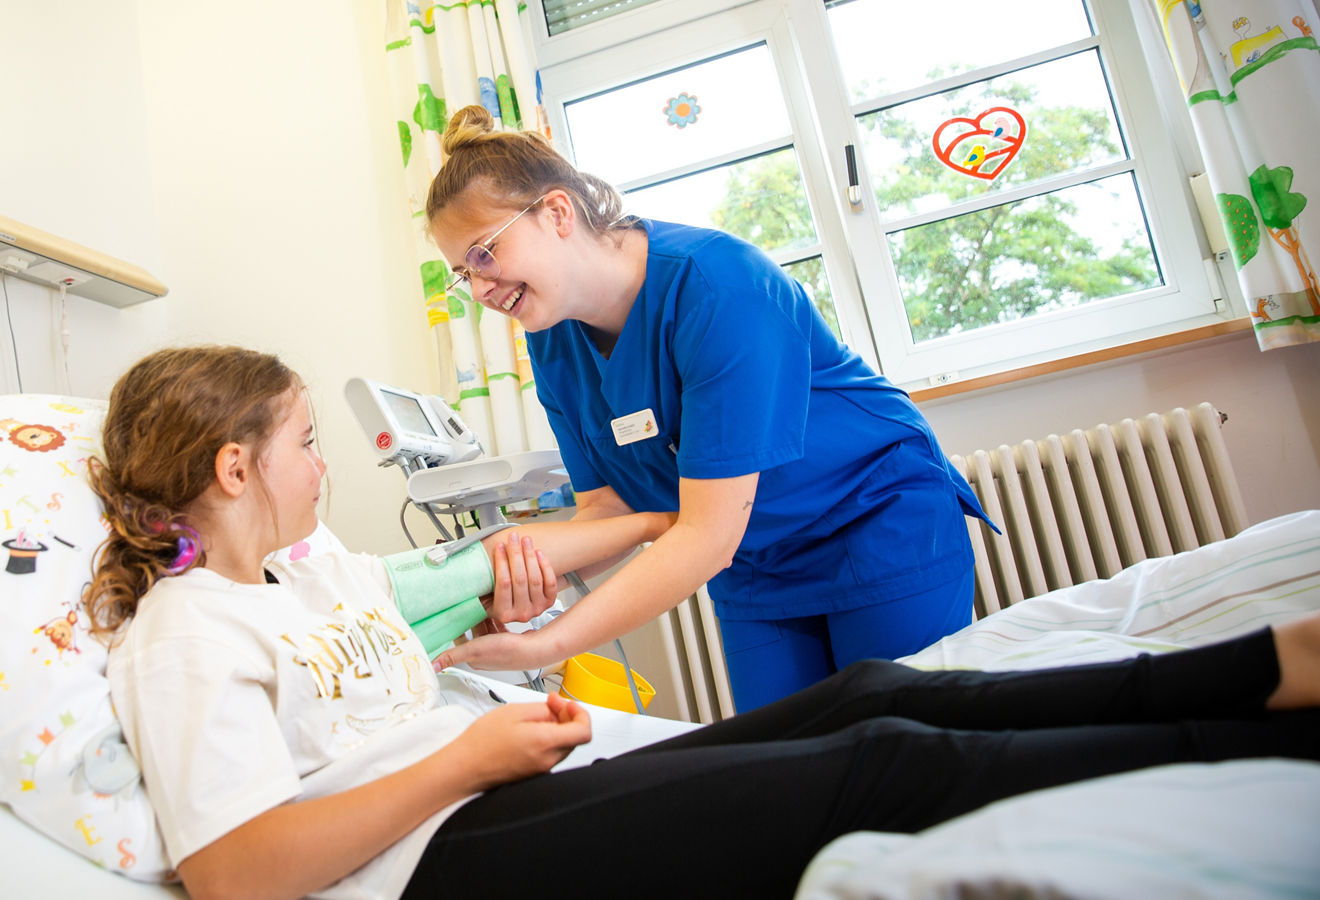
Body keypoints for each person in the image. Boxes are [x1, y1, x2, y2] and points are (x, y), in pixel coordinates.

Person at [86, 344, 1320, 900]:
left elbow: (479, 569)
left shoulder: (317, 572)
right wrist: (467, 753)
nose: (325, 464)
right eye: (306, 442)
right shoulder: (184, 635)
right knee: (881, 761)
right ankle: (1274, 749)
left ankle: (1264, 667)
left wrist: (622, 538)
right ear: (236, 469)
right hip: (430, 866)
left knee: (872, 691)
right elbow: (238, 875)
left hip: (496, 788)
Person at [424, 105, 995, 710]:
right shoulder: (551, 337)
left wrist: (550, 643)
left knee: (903, 750)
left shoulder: (720, 286)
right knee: (784, 766)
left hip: (872, 518)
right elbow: (607, 506)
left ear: (558, 212)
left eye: (484, 254)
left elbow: (703, 534)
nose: (481, 288)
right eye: (463, 274)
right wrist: (498, 584)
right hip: (753, 557)